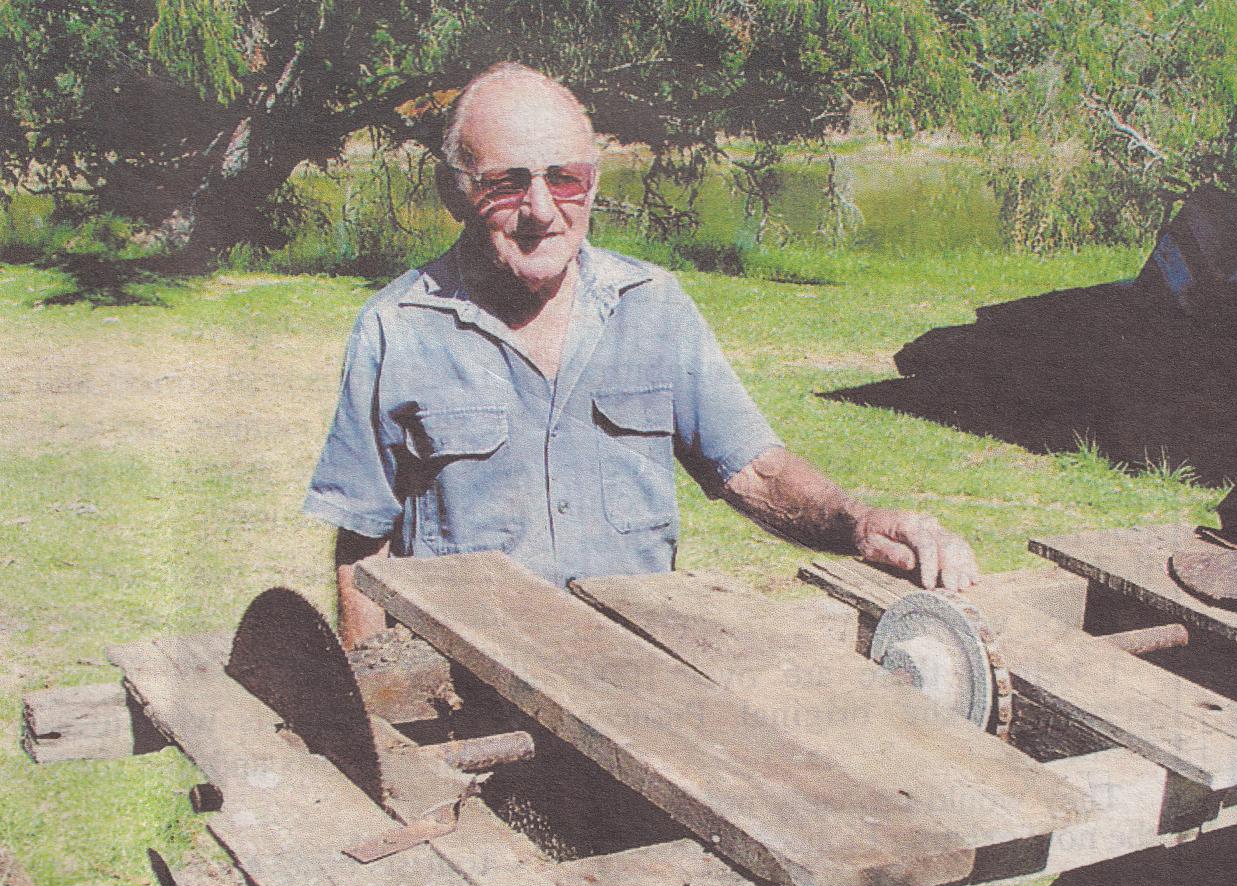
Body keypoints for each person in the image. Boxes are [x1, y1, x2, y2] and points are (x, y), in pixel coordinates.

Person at [303, 63, 978, 649]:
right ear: (455, 191)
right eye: (507, 182)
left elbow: (756, 473)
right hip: (470, 688)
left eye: (564, 179)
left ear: (592, 186)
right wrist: (379, 704)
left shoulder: (653, 308)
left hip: (639, 683)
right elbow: (364, 540)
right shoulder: (397, 328)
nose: (541, 209)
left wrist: (858, 525)